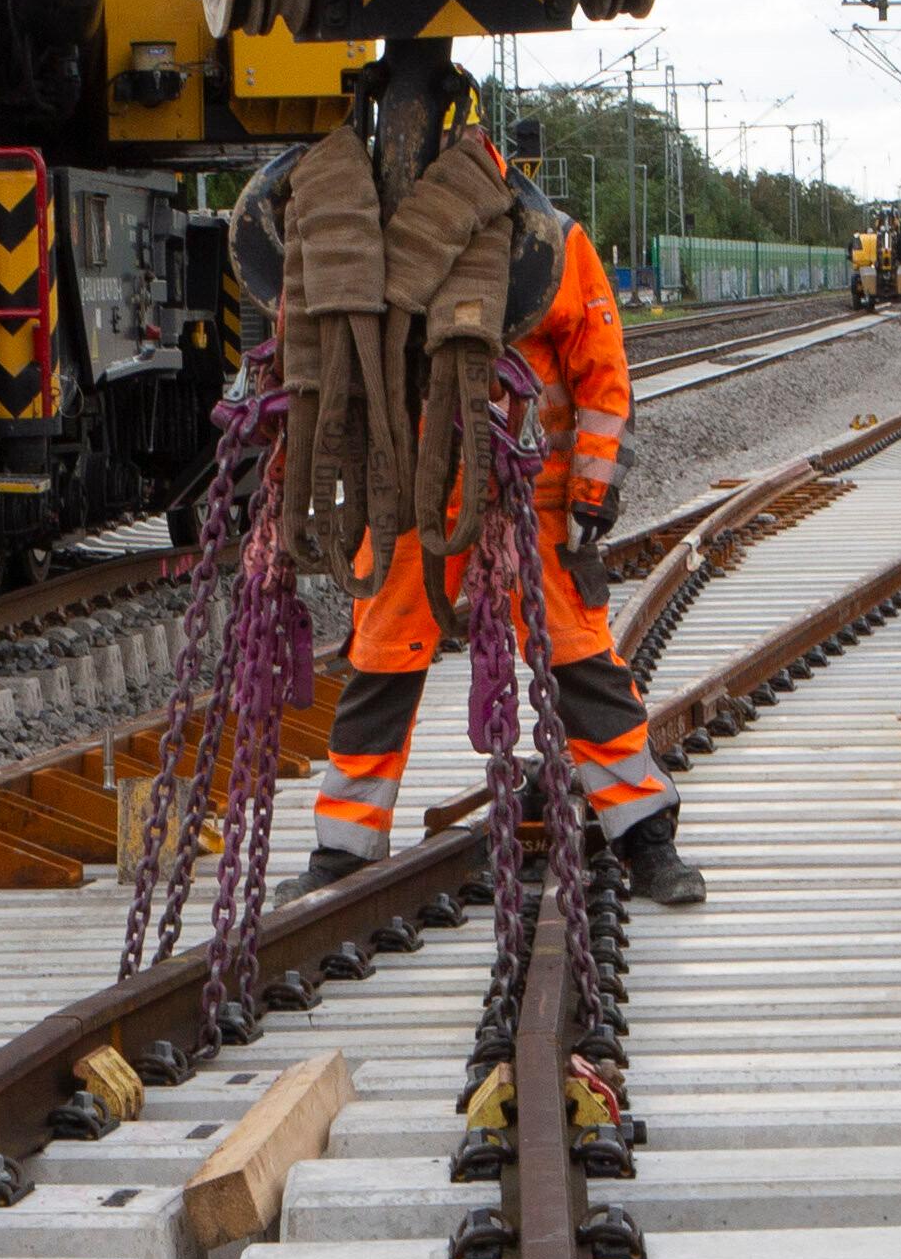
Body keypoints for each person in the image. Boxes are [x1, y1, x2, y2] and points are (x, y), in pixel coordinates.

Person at [260, 57, 700, 907]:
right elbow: (305, 362)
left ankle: (646, 837)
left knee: (577, 661)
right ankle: (343, 850)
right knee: (380, 663)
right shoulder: (347, 241)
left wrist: (590, 493)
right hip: (405, 493)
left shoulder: (546, 240)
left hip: (526, 499)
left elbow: (600, 374)